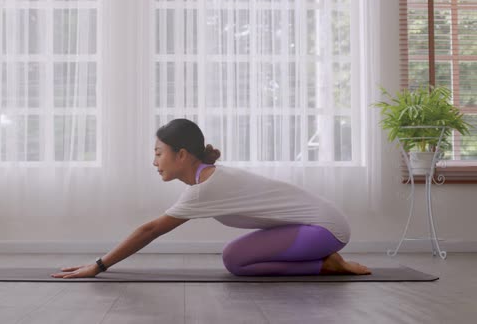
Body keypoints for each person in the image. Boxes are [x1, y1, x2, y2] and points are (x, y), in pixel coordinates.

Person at [52, 118, 371, 279]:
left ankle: (327, 264)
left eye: (158, 153)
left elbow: (150, 230)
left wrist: (98, 266)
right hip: (316, 225)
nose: (154, 162)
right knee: (236, 257)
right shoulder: (206, 179)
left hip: (326, 230)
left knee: (236, 260)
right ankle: (325, 261)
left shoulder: (208, 186)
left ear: (181, 154)